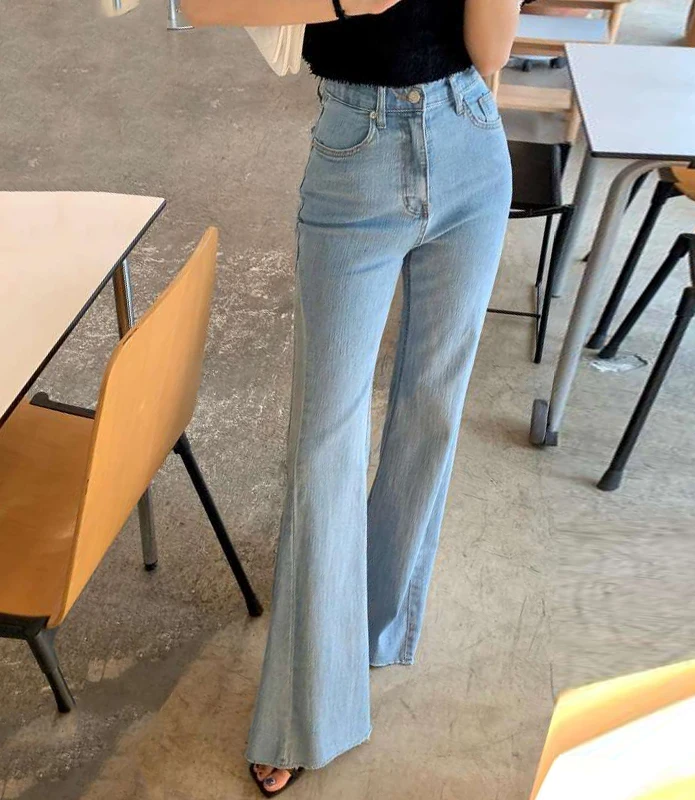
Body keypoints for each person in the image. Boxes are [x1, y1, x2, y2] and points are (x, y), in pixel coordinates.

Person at [183, 0, 520, 795]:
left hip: (470, 135)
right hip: (355, 147)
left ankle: (371, 626)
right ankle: (305, 709)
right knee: (323, 441)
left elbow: (490, 46)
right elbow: (197, 5)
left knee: (432, 411)